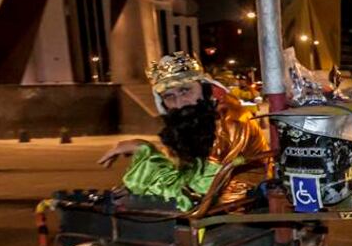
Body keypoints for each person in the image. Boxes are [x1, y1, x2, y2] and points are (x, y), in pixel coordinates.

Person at [98, 52, 270, 210]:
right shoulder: (194, 121)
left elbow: (195, 194)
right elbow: (179, 169)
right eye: (169, 96)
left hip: (234, 210)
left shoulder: (230, 123)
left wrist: (144, 156)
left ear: (206, 90)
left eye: (185, 91)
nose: (180, 103)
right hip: (208, 202)